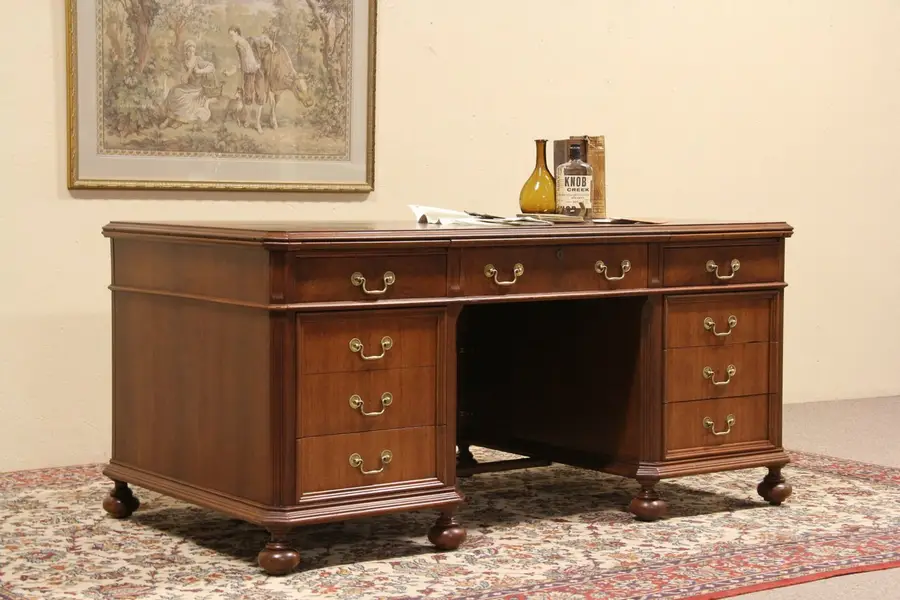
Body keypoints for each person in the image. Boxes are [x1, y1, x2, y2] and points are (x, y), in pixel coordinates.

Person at [160, 40, 216, 129]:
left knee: (185, 98)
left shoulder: (198, 60)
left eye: (193, 51)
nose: (191, 53)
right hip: (188, 86)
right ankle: (171, 118)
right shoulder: (184, 63)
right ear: (186, 52)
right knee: (174, 91)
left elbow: (211, 67)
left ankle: (177, 121)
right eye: (189, 51)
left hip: (198, 89)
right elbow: (184, 81)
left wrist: (200, 71)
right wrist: (189, 70)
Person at [225, 26, 267, 134]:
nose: (231, 38)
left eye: (232, 35)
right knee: (248, 97)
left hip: (258, 71)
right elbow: (240, 62)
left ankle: (257, 124)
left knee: (260, 97)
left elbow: (263, 40)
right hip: (248, 73)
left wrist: (270, 43)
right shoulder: (238, 46)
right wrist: (230, 72)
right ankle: (248, 118)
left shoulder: (250, 41)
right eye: (230, 36)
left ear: (237, 33)